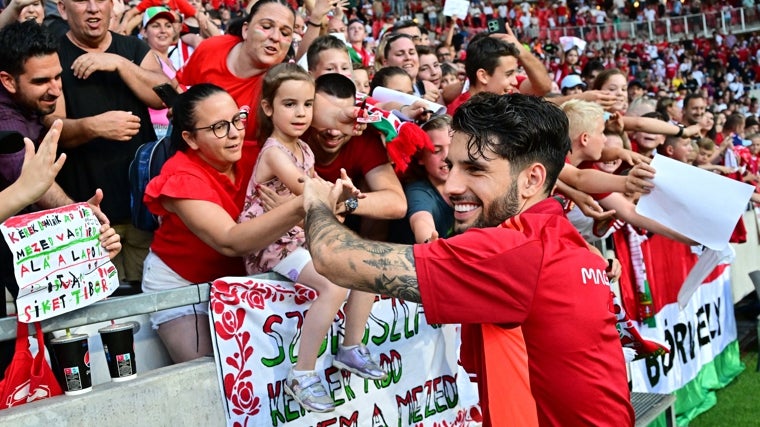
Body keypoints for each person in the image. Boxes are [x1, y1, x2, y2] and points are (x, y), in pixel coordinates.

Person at [300, 93, 635, 426]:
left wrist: (315, 196)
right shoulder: (557, 235)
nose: (453, 184)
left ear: (531, 180)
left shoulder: (513, 251)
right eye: (450, 166)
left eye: (475, 169)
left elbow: (334, 258)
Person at [238, 64, 385, 413]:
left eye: (306, 104)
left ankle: (351, 347)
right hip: (272, 247)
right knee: (334, 286)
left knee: (367, 261)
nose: (300, 112)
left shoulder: (304, 148)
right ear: (269, 108)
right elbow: (309, 193)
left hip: (300, 239)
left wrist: (342, 198)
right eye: (290, 104)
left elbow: (324, 200)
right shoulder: (274, 151)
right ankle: (302, 374)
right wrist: (342, 195)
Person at [141, 84, 307, 364]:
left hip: (242, 285)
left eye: (237, 119)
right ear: (190, 139)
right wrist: (303, 205)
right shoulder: (181, 175)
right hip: (183, 286)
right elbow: (230, 240)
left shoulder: (260, 154)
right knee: (207, 376)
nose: (234, 133)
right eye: (219, 127)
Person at [51, 0, 170, 289]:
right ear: (63, 9)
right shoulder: (52, 52)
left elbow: (165, 94)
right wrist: (94, 126)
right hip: (88, 211)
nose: (93, 8)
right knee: (102, 311)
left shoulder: (133, 49)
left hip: (142, 210)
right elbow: (51, 128)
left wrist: (118, 64)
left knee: (145, 304)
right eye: (81, 1)